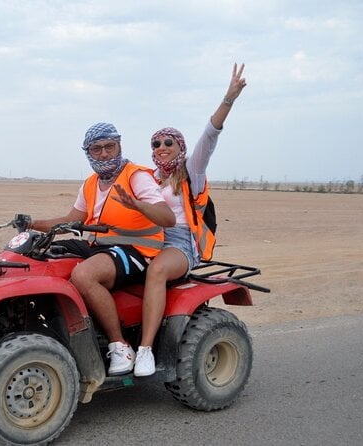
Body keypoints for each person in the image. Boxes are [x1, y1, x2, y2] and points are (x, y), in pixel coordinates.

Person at [113, 63, 247, 376]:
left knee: (157, 271)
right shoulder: (148, 178)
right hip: (148, 238)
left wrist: (228, 99)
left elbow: (210, 136)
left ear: (180, 147)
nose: (160, 148)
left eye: (167, 143)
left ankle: (145, 350)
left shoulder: (192, 172)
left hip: (180, 244)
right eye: (156, 144)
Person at [28, 122, 176, 375]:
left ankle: (120, 346)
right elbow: (72, 219)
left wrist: (137, 205)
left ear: (119, 146)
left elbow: (167, 217)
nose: (104, 153)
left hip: (137, 250)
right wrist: (31, 224)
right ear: (88, 152)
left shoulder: (136, 176)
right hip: (99, 245)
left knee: (84, 275)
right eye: (97, 149)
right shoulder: (90, 184)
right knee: (39, 256)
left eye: (110, 146)